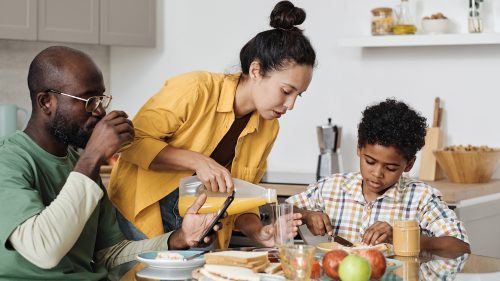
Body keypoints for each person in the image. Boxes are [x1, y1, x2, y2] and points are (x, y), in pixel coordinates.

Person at [0, 46, 221, 280]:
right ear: (46, 102)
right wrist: (93, 155)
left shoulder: (81, 166)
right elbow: (43, 250)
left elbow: (110, 255)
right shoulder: (9, 160)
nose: (100, 111)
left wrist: (179, 238)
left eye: (101, 98)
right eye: (88, 100)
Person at [108, 0, 314, 249]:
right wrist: (197, 161)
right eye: (286, 91)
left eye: (298, 95)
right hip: (139, 214)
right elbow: (129, 142)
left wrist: (259, 232)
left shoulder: (269, 127)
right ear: (257, 70)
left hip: (200, 227)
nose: (290, 105)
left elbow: (240, 196)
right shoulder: (196, 89)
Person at [287, 99, 471, 253]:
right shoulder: (331, 187)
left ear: (409, 164)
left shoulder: (422, 199)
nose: (377, 173)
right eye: (370, 162)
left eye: (390, 168)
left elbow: (460, 247)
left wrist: (400, 237)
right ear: (359, 149)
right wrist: (306, 215)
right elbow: (280, 211)